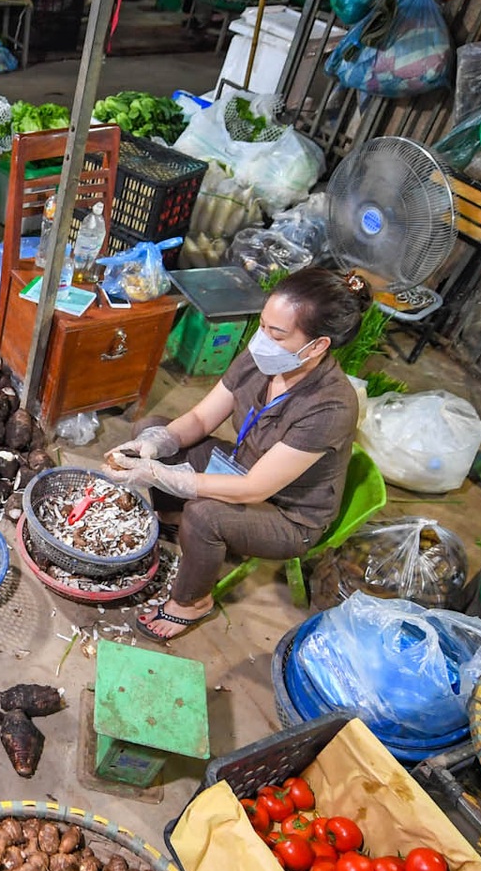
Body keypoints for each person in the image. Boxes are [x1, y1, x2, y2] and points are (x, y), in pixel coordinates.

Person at [106, 268, 366, 641]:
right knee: (153, 427)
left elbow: (254, 490)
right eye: (263, 325)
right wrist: (153, 445)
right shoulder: (261, 359)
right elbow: (199, 417)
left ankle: (192, 602)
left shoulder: (331, 406)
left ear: (318, 345)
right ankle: (174, 518)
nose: (263, 340)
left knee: (205, 512)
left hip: (287, 513)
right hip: (242, 466)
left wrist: (158, 476)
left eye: (277, 334)